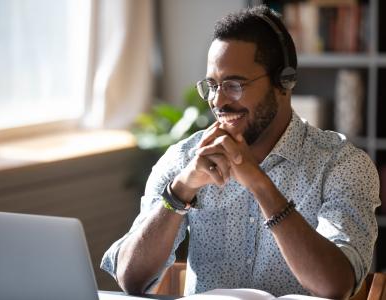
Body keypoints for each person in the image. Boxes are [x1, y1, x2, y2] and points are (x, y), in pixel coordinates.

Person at [101, 5, 380, 299]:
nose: (218, 101)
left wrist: (258, 183)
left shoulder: (343, 165)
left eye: (234, 85)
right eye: (212, 85)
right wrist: (180, 191)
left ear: (284, 82)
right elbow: (129, 279)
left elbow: (335, 286)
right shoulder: (185, 159)